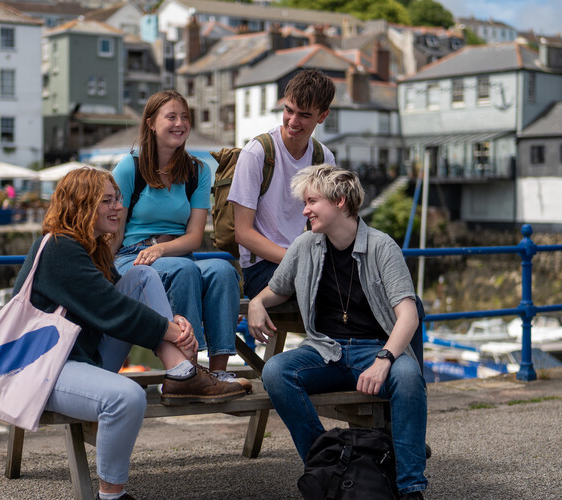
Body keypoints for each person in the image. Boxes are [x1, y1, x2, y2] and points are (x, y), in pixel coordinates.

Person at [12, 168, 246, 500]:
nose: (118, 207)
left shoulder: (93, 250)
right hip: (48, 367)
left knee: (142, 277)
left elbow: (121, 305)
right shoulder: (59, 248)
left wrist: (173, 323)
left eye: (118, 199)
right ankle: (111, 495)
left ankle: (180, 371)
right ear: (81, 205)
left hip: (85, 359)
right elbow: (112, 310)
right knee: (126, 397)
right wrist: (172, 330)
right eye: (106, 201)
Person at [247, 164, 428, 499]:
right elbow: (278, 289)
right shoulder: (305, 245)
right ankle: (329, 464)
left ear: (340, 201)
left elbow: (409, 314)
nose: (305, 210)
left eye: (312, 201)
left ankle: (410, 487)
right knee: (275, 371)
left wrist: (385, 359)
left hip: (374, 349)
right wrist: (258, 301)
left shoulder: (381, 247)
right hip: (324, 350)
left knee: (409, 378)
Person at [112, 90, 247, 388]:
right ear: (150, 123)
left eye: (185, 117)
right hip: (133, 259)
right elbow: (114, 229)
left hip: (175, 255)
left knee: (224, 270)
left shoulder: (198, 171)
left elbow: (195, 238)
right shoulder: (129, 168)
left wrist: (162, 249)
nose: (180, 123)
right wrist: (103, 273)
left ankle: (218, 370)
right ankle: (187, 370)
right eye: (171, 117)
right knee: (184, 270)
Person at [228, 68, 337, 299]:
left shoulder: (323, 158)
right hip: (260, 269)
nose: (293, 121)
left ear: (323, 116)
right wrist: (298, 259)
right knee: (336, 295)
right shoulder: (257, 153)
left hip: (305, 263)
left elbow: (331, 223)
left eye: (304, 115)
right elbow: (243, 233)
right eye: (288, 110)